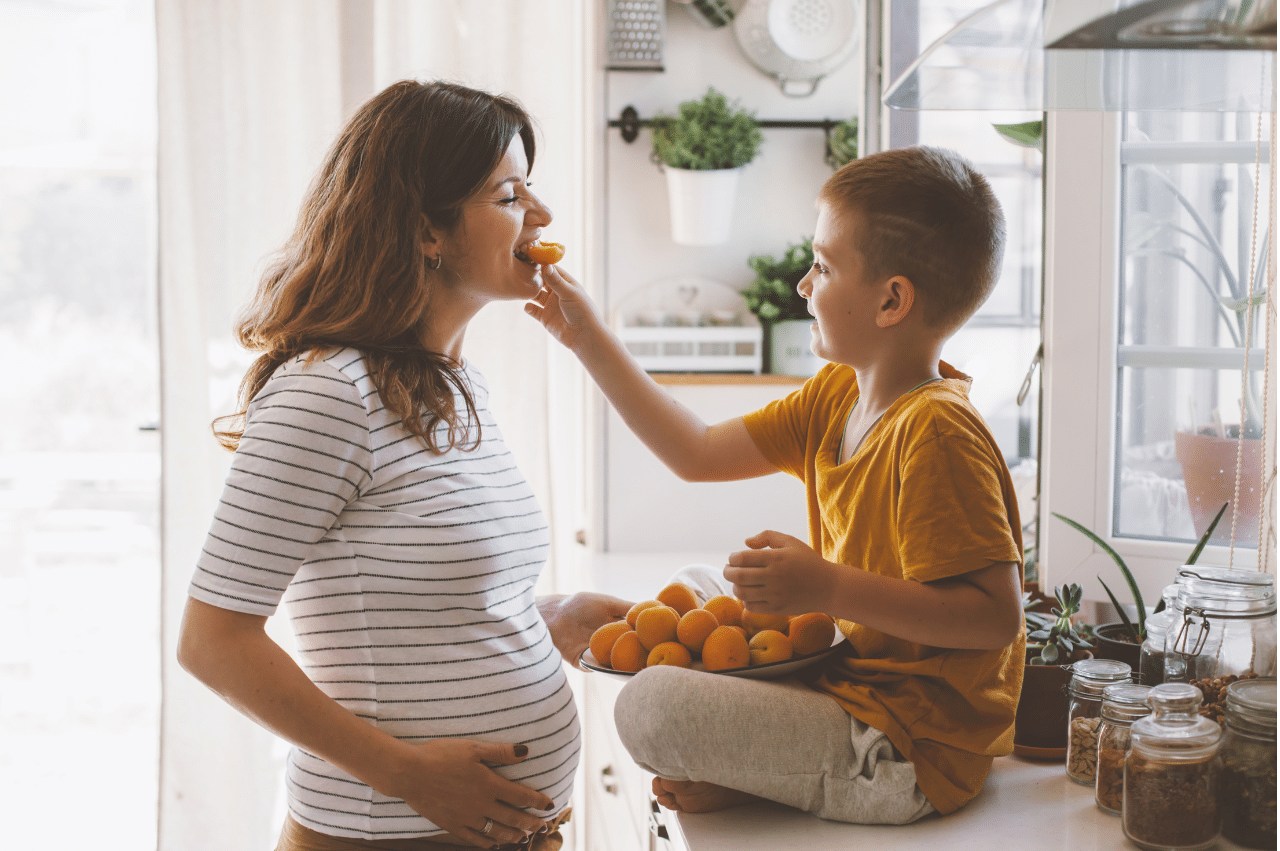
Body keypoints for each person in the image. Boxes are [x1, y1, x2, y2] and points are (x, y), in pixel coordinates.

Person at [177, 80, 629, 851]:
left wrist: (538, 617)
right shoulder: (327, 391)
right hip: (383, 834)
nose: (543, 217)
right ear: (428, 230)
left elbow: (411, 595)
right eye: (511, 195)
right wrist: (404, 772)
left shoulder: (459, 387)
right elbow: (213, 640)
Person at [526, 146, 1025, 823]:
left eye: (822, 266)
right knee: (703, 583)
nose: (802, 284)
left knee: (649, 707)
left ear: (890, 300)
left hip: (905, 747)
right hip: (851, 683)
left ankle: (767, 774)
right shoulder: (836, 396)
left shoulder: (936, 430)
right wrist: (584, 336)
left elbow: (994, 617)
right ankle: (745, 751)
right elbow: (695, 451)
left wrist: (828, 586)